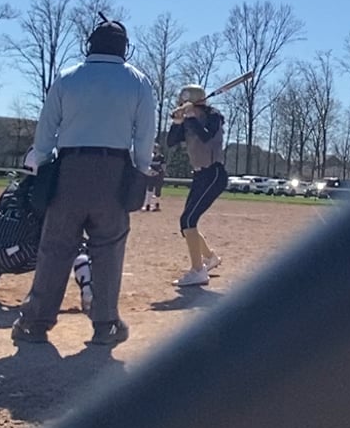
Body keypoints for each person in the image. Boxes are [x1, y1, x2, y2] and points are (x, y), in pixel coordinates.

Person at [12, 20, 156, 348]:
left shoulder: (67, 77)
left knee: (55, 247)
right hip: (114, 172)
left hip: (69, 170)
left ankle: (35, 322)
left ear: (90, 45)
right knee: (109, 248)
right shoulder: (138, 82)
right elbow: (144, 136)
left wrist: (42, 163)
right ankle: (105, 324)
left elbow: (45, 132)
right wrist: (141, 170)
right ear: (124, 48)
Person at [167, 85, 230, 286]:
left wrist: (191, 116)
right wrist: (177, 122)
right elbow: (170, 142)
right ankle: (210, 258)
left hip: (214, 174)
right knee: (186, 223)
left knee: (188, 220)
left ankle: (198, 271)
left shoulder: (213, 116)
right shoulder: (189, 120)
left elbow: (206, 136)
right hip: (200, 176)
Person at [141, 143, 165, 212]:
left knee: (158, 190)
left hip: (159, 175)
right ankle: (147, 205)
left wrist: (160, 172)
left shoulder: (161, 157)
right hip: (151, 175)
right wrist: (150, 171)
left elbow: (163, 166)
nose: (155, 149)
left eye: (156, 148)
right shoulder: (150, 156)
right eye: (154, 148)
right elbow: (147, 165)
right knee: (149, 189)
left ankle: (156, 205)